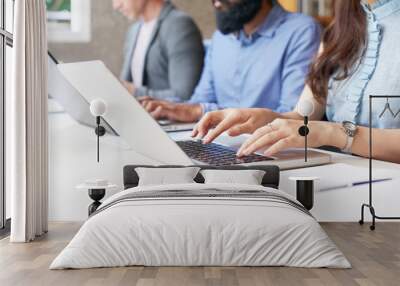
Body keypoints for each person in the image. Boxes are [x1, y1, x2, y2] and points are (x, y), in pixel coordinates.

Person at [192, 0, 400, 164]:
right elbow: (303, 117)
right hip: (344, 177)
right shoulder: (340, 29)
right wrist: (266, 118)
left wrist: (332, 132)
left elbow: (320, 129)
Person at [141, 0, 321, 122]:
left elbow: (293, 117)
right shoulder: (221, 38)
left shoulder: (301, 31)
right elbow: (201, 100)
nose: (217, 3)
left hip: (270, 149)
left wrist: (200, 111)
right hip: (216, 141)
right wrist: (167, 107)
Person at [113, 0, 205, 102]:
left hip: (162, 117)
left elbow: (184, 95)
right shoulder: (134, 30)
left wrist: (135, 92)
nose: (116, 5)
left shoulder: (179, 25)